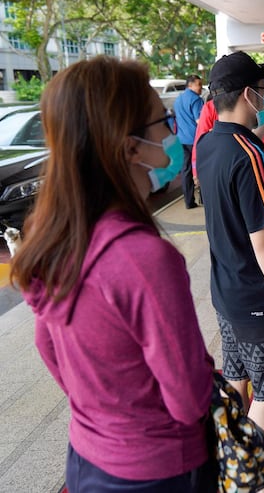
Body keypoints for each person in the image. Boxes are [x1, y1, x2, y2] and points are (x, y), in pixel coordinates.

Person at [10, 57, 216, 492]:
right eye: (162, 121)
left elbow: (46, 344)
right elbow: (187, 398)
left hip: (87, 459)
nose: (173, 133)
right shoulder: (144, 259)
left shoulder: (53, 238)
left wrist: (105, 408)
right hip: (161, 470)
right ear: (130, 147)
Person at [195, 51, 264, 493]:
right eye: (263, 89)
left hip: (225, 290)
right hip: (257, 299)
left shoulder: (207, 144)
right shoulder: (251, 156)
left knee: (239, 381)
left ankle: (236, 464)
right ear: (247, 94)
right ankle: (259, 486)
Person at [173, 74, 204, 208]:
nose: (201, 88)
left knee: (186, 170)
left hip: (181, 139)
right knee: (202, 168)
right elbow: (200, 121)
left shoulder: (178, 99)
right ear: (190, 85)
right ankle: (203, 198)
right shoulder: (196, 100)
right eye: (199, 85)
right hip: (195, 140)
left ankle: (189, 201)